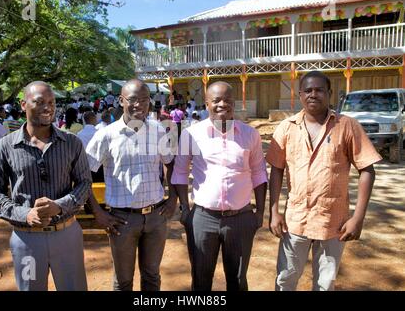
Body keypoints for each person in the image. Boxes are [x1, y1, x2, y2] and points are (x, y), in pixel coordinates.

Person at [266, 71, 382, 291]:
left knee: (325, 283)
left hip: (333, 222)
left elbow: (367, 169)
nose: (313, 94)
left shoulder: (347, 126)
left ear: (329, 94)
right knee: (285, 279)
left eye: (319, 90)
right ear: (299, 95)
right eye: (307, 90)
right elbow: (276, 171)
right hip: (295, 220)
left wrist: (357, 218)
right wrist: (274, 212)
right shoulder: (286, 128)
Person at [0, 81, 91, 291]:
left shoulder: (72, 143)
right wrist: (25, 214)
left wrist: (60, 205)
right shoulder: (4, 147)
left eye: (51, 102)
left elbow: (84, 183)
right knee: (30, 288)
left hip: (67, 236)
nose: (48, 107)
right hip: (26, 241)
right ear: (23, 104)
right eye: (39, 102)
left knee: (74, 288)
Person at [171, 81, 268, 291]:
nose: (222, 104)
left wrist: (260, 212)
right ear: (206, 104)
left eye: (227, 100)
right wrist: (185, 210)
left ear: (234, 103)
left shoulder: (251, 135)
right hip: (203, 218)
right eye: (216, 100)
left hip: (241, 218)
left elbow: (260, 173)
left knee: (238, 280)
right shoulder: (191, 134)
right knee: (201, 279)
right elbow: (179, 173)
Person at [85, 79, 177, 291]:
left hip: (156, 218)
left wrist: (173, 199)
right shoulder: (106, 135)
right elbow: (83, 175)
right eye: (133, 100)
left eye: (144, 100)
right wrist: (96, 211)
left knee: (152, 277)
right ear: (121, 100)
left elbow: (170, 165)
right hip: (121, 220)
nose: (139, 105)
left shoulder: (158, 131)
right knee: (123, 281)